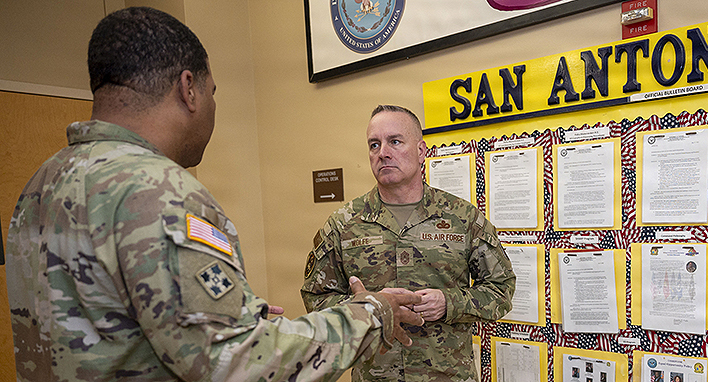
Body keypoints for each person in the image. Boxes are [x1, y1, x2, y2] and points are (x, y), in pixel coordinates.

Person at [4, 7, 423, 381]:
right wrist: (371, 312)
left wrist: (239, 318)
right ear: (189, 88)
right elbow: (238, 364)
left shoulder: (43, 182)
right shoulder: (161, 192)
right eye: (213, 92)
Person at [300, 105, 516, 381]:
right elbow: (316, 297)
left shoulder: (462, 217)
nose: (383, 153)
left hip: (447, 375)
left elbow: (501, 290)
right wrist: (368, 308)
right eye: (374, 145)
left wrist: (450, 303)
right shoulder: (344, 223)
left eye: (395, 142)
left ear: (421, 151)